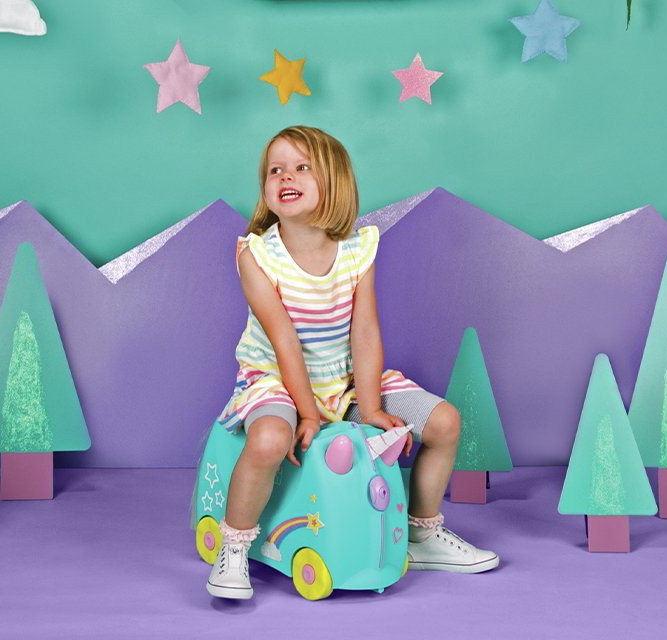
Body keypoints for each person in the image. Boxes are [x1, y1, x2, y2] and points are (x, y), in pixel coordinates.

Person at [206, 126, 498, 600]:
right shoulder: (256, 254)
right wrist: (304, 412)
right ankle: (234, 546)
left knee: (444, 422)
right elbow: (284, 339)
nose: (286, 176)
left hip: (343, 381)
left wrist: (369, 401)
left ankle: (423, 534)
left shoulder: (358, 250)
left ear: (334, 181)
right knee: (268, 440)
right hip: (277, 380)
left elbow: (364, 331)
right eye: (275, 169)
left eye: (302, 167)